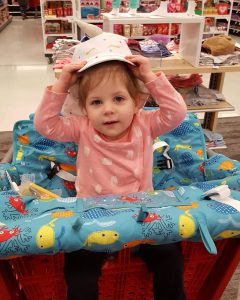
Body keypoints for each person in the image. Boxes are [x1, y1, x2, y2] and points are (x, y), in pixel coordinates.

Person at [34, 32, 187, 300]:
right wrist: (63, 82)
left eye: (118, 99)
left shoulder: (146, 123)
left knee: (171, 257)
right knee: (79, 272)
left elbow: (177, 113)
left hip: (143, 215)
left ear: (137, 101)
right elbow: (45, 125)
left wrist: (150, 78)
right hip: (93, 216)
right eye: (96, 102)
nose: (108, 110)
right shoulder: (82, 127)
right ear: (83, 108)